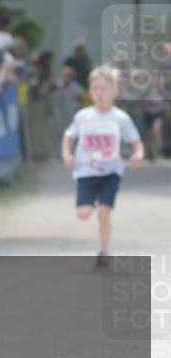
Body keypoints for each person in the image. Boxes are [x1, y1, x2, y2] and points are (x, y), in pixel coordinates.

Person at [61, 65, 144, 267]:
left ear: (115, 91)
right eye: (95, 89)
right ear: (90, 91)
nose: (99, 93)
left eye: (104, 88)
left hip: (110, 172)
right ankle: (94, 200)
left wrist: (138, 154)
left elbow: (136, 142)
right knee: (83, 214)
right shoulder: (83, 116)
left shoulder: (120, 118)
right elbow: (68, 136)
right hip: (86, 173)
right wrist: (66, 154)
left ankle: (104, 250)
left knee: (104, 214)